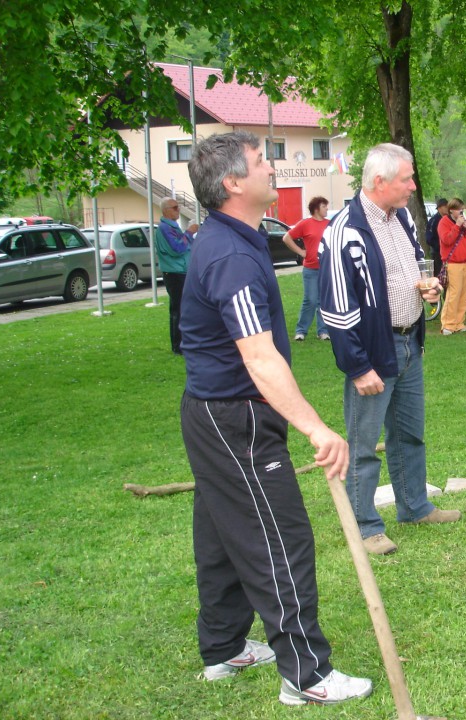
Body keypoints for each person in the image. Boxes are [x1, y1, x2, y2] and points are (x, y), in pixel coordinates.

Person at [179, 131, 371, 707]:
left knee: (220, 532)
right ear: (233, 183)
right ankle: (306, 675)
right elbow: (258, 357)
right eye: (263, 162)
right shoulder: (232, 255)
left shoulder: (236, 236)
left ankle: (223, 647)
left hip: (214, 412)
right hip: (235, 418)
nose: (275, 167)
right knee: (279, 537)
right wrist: (317, 427)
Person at [318, 143, 460, 556]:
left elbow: (416, 266)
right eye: (406, 179)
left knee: (409, 434)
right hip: (374, 352)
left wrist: (428, 287)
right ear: (379, 182)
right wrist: (358, 367)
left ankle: (415, 506)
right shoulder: (345, 229)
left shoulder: (402, 221)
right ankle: (364, 526)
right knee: (363, 445)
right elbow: (337, 308)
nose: (414, 186)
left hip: (409, 342)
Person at [283, 196, 331, 341]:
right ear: (316, 209)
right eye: (324, 206)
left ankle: (323, 331)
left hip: (326, 269)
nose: (327, 209)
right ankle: (301, 331)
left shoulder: (330, 224)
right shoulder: (305, 224)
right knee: (310, 300)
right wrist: (301, 252)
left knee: (323, 301)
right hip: (311, 269)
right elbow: (286, 238)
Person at [155, 197, 198, 354]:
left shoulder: (172, 227)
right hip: (174, 273)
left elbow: (187, 247)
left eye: (178, 207)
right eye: (174, 207)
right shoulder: (165, 228)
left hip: (181, 271)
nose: (178, 210)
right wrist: (189, 232)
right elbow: (177, 248)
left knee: (184, 308)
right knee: (178, 309)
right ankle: (177, 345)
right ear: (166, 210)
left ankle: (184, 342)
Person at [437, 197, 466, 335]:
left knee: (465, 294)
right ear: (451, 210)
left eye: (462, 208)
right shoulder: (444, 222)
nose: (461, 211)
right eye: (458, 209)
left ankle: (459, 322)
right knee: (454, 293)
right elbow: (447, 240)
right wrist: (457, 226)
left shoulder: (465, 222)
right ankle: (448, 324)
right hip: (453, 263)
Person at [426, 197, 448, 277]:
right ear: (439, 208)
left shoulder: (448, 219)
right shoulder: (434, 220)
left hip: (447, 252)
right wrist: (438, 246)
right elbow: (429, 238)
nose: (447, 208)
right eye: (445, 206)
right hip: (437, 253)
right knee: (438, 274)